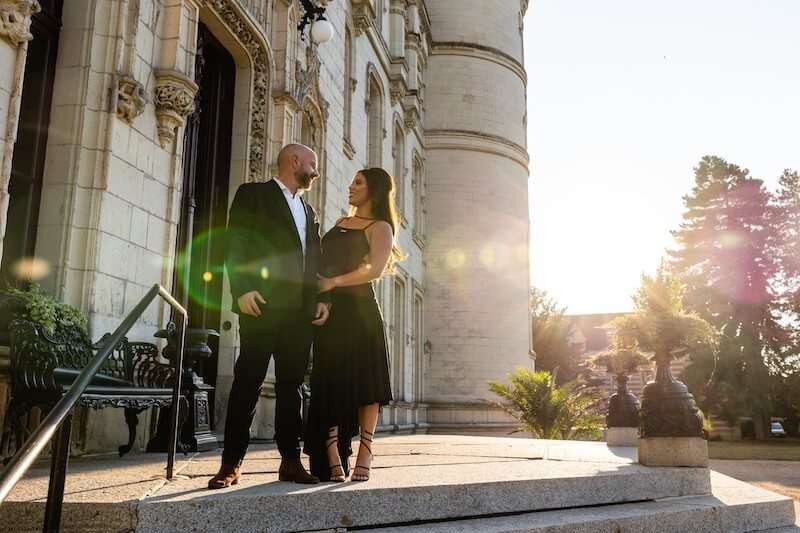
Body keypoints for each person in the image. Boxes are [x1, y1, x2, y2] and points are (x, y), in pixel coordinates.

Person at [208, 144, 330, 489]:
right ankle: (230, 464)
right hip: (261, 305)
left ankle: (290, 462)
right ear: (294, 162)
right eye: (312, 164)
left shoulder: (309, 211)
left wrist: (324, 299)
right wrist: (242, 288)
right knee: (247, 383)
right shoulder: (254, 194)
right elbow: (236, 242)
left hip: (299, 314)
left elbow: (315, 259)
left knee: (292, 389)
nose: (316, 172)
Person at [305, 168, 400, 482]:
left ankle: (365, 453)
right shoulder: (340, 223)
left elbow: (374, 269)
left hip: (361, 313)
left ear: (373, 189)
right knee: (330, 379)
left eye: (358, 182)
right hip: (334, 312)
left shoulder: (380, 226)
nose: (351, 186)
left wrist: (334, 283)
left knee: (367, 383)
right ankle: (332, 452)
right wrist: (324, 293)